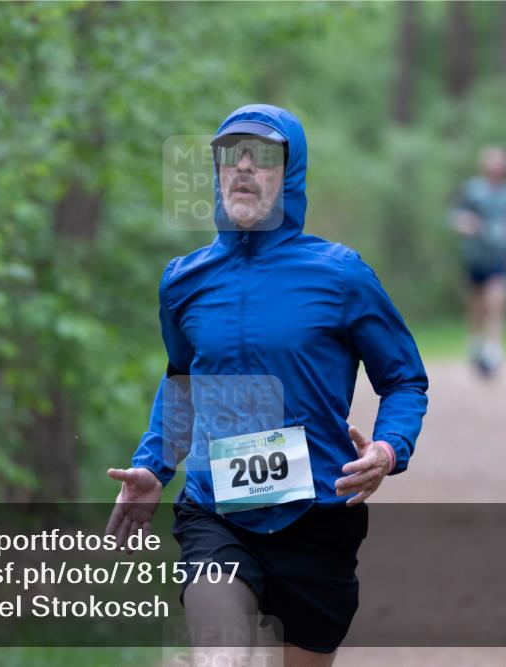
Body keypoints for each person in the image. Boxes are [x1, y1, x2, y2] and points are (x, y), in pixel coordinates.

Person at [105, 104, 428, 666]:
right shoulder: (184, 280)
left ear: (292, 173)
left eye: (264, 157)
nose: (244, 168)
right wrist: (153, 467)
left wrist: (388, 447)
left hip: (319, 516)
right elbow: (181, 380)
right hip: (216, 511)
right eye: (231, 155)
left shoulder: (341, 274)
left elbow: (403, 379)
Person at [449, 146, 506, 378]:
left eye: (501, 167)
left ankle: (494, 351)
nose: (497, 171)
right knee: (476, 306)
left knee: (497, 302)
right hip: (476, 256)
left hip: (501, 257)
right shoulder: (472, 190)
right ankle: (475, 345)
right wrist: (464, 223)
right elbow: (455, 215)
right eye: (493, 167)